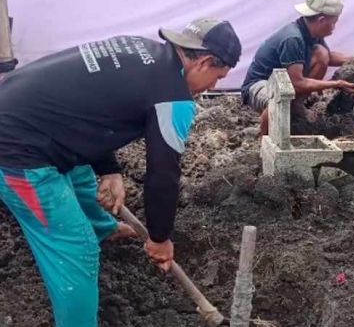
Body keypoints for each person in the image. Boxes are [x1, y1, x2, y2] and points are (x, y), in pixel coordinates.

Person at [0, 18, 241, 327]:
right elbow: (163, 175)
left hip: (21, 111)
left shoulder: (140, 49)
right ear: (204, 61)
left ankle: (104, 227)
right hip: (16, 152)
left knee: (81, 173)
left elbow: (91, 111)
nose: (214, 87)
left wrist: (110, 169)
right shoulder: (173, 98)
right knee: (76, 247)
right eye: (218, 77)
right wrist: (159, 238)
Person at [240, 0, 354, 134]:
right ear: (321, 20)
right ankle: (265, 139)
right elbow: (296, 83)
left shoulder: (311, 31)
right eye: (333, 23)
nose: (334, 28)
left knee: (321, 54)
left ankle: (295, 106)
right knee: (279, 99)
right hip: (259, 84)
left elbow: (328, 56)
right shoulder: (293, 39)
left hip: (284, 82)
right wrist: (336, 84)